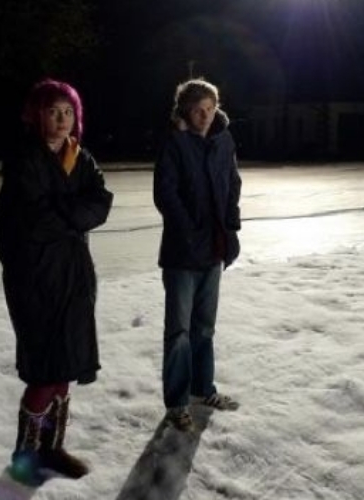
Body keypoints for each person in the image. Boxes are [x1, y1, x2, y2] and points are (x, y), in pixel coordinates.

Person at [0, 78, 113, 484]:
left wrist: (64, 211)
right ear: (36, 115)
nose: (62, 120)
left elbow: (101, 202)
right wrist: (72, 213)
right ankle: (25, 457)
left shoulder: (80, 157)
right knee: (44, 370)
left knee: (66, 364)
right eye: (53, 111)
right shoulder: (24, 160)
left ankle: (52, 448)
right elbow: (31, 219)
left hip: (74, 276)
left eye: (68, 112)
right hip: (35, 278)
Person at [153, 78, 242, 432]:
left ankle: (203, 389)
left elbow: (233, 183)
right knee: (179, 332)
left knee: (204, 328)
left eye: (209, 108)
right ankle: (177, 403)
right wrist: (188, 230)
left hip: (214, 249)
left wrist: (231, 226)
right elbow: (165, 193)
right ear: (185, 112)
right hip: (182, 253)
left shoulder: (223, 140)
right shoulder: (174, 143)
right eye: (197, 110)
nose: (205, 116)